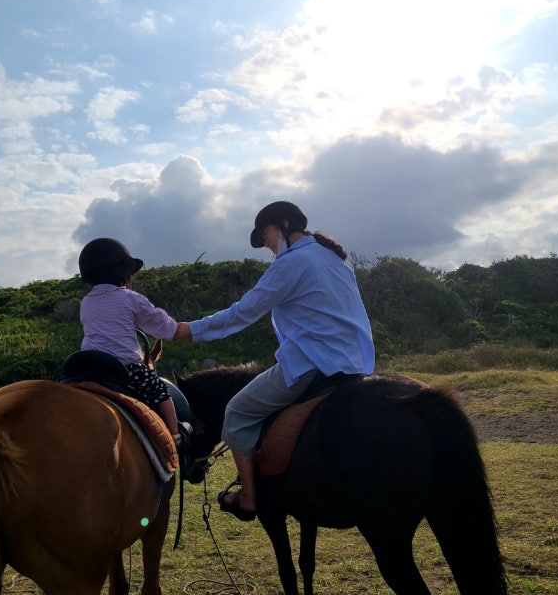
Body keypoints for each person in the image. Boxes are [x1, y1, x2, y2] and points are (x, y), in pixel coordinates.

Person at [174, 201, 375, 521]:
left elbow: (243, 312)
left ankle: (249, 498)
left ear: (283, 224)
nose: (265, 243)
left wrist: (190, 330)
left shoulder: (291, 263)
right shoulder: (335, 259)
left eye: (265, 234)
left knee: (237, 412)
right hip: (353, 364)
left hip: (313, 364)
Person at [78, 237, 186, 447]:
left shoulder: (86, 301)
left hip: (87, 366)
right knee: (160, 392)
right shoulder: (130, 298)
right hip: (124, 366)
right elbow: (162, 327)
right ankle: (174, 437)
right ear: (121, 272)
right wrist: (176, 328)